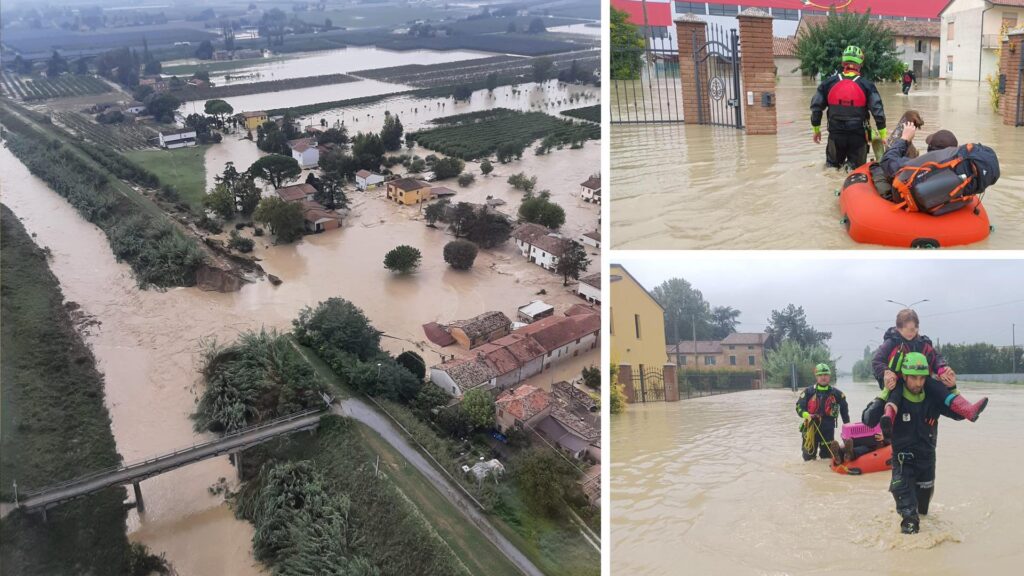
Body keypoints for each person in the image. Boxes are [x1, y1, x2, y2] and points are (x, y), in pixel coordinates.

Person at [863, 352, 964, 534]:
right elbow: (869, 419)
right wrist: (886, 392)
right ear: (905, 376)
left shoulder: (933, 397)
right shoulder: (896, 398)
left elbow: (959, 415)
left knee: (923, 513)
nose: (918, 383)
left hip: (927, 463)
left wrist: (953, 388)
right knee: (910, 520)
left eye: (922, 378)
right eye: (913, 378)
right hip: (903, 463)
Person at [872, 308, 988, 437]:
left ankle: (968, 409)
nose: (913, 332)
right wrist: (886, 373)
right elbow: (877, 361)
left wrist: (943, 369)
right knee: (896, 393)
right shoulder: (891, 343)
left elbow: (936, 358)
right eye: (909, 329)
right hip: (896, 381)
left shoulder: (923, 343)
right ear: (899, 329)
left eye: (915, 328)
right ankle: (888, 419)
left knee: (937, 386)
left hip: (921, 379)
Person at [810, 45, 887, 170]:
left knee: (832, 169)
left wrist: (816, 130)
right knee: (857, 173)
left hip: (835, 135)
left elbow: (816, 108)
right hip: (858, 136)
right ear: (860, 64)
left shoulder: (828, 83)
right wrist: (883, 135)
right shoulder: (867, 85)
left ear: (842, 63)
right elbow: (878, 112)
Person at [796, 363, 850, 461]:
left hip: (828, 429)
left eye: (825, 375)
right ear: (816, 377)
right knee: (808, 458)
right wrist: (807, 415)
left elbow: (845, 412)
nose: (823, 377)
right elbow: (799, 407)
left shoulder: (837, 394)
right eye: (820, 375)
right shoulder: (808, 392)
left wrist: (848, 428)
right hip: (810, 428)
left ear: (829, 376)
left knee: (827, 458)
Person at [880, 125, 959, 179]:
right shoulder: (957, 170)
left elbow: (887, 160)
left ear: (930, 148)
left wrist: (904, 139)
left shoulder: (918, 167)